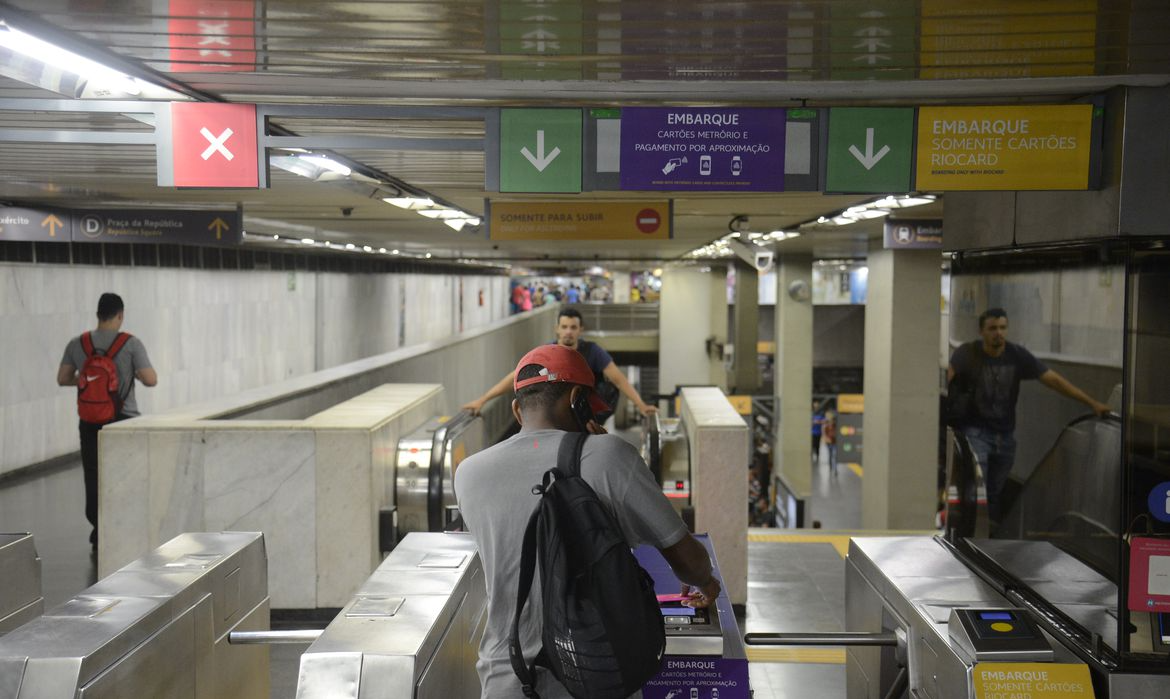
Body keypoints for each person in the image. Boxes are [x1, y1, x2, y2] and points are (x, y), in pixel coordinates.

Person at [454, 344, 721, 699]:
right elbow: (689, 561)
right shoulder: (611, 457)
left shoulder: (469, 473)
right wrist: (705, 581)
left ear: (517, 408)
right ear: (579, 400)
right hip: (597, 674)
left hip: (507, 678)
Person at [947, 307, 1110, 521]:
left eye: (1003, 327)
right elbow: (948, 379)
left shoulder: (1016, 355)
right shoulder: (968, 353)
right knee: (980, 491)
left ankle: (987, 537)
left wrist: (1092, 403)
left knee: (994, 493)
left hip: (1004, 437)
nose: (999, 333)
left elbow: (1054, 381)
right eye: (993, 328)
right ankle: (974, 535)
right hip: (976, 433)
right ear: (982, 331)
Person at [57, 293, 157, 551]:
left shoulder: (78, 343)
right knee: (127, 475)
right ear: (120, 315)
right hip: (124, 420)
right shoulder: (131, 343)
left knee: (93, 474)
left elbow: (63, 378)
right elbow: (150, 379)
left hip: (89, 421)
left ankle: (98, 529)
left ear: (98, 314)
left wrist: (86, 380)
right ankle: (125, 527)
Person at [462, 307, 658, 422]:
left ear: (580, 329)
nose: (568, 332)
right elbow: (517, 375)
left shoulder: (593, 352)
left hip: (586, 417)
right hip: (558, 417)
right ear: (557, 329)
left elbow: (618, 379)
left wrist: (641, 405)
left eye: (573, 327)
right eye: (564, 327)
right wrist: (483, 400)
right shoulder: (547, 353)